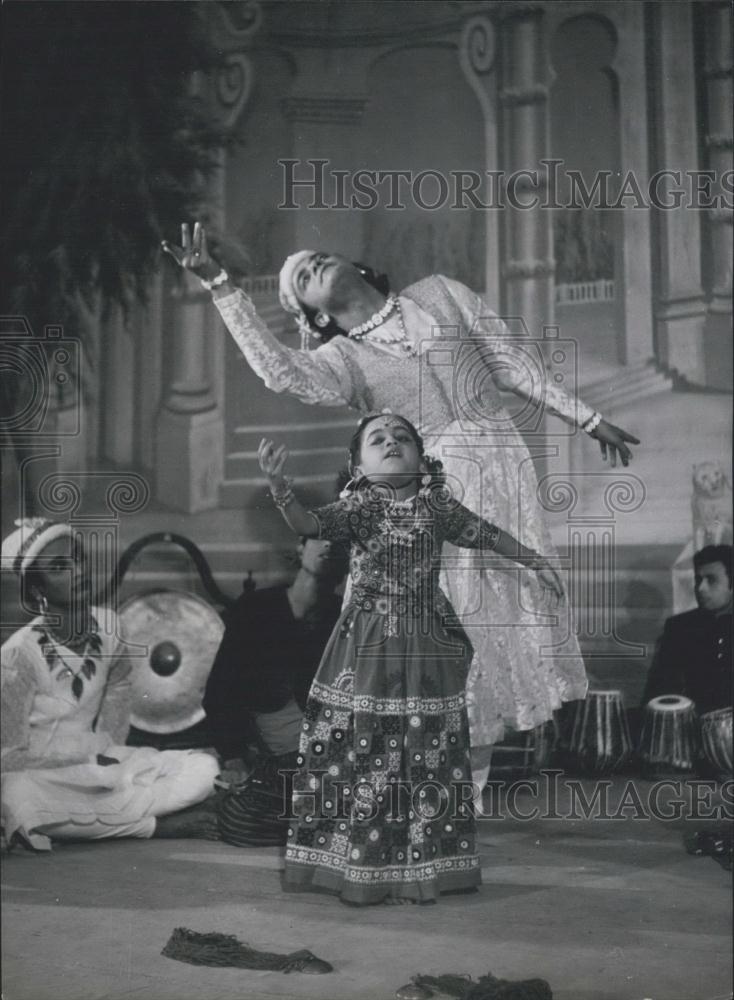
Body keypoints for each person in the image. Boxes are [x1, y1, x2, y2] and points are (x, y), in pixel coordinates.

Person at [162, 224, 640, 794]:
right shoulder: (340, 359)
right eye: (300, 279)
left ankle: (472, 791)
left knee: (494, 627)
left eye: (316, 257)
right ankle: (436, 788)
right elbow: (278, 369)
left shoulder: (440, 291)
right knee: (450, 627)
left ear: (356, 265)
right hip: (428, 491)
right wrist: (220, 286)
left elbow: (512, 364)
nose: (311, 265)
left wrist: (586, 418)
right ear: (313, 315)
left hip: (502, 469)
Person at [257, 411, 564, 904]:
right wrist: (278, 484)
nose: (391, 442)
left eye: (402, 437)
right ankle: (360, 869)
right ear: (357, 464)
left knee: (427, 753)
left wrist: (536, 560)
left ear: (422, 458)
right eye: (377, 440)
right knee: (366, 751)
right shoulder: (356, 508)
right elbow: (307, 523)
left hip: (427, 646)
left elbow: (486, 534)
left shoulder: (438, 507)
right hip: (367, 647)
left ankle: (424, 867)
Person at [1, 519, 220, 851]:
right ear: (37, 590)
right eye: (60, 567)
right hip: (42, 772)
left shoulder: (109, 624)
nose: (78, 571)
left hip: (100, 763)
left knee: (204, 768)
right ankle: (153, 826)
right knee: (18, 796)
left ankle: (106, 816)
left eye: (78, 558)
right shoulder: (19, 655)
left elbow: (117, 695)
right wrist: (81, 762)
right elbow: (10, 756)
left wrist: (109, 757)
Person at [204, 537, 347, 848]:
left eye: (341, 543)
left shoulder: (344, 616)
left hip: (322, 753)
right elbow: (220, 689)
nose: (329, 547)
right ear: (300, 547)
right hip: (268, 756)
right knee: (240, 824)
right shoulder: (257, 607)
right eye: (320, 537)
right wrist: (232, 757)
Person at [642, 544, 732, 714]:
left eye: (711, 580)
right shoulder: (679, 628)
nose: (700, 588)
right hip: (690, 729)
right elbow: (658, 692)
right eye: (698, 580)